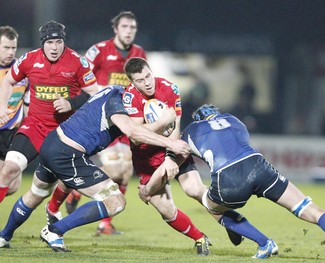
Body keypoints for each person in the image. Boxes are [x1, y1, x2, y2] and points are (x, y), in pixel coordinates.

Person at [150, 104, 325, 262]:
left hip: (228, 176)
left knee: (211, 207)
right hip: (259, 166)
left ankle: (263, 242)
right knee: (309, 209)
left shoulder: (191, 130)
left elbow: (179, 154)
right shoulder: (235, 120)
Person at [0, 85, 190, 252]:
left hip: (53, 143)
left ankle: (4, 236)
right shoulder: (118, 103)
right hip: (68, 154)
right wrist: (169, 138)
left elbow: (134, 128)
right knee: (115, 201)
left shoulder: (112, 92)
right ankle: (53, 230)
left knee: (35, 194)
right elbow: (133, 133)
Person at [48, 11, 147, 235]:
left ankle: (104, 223)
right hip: (102, 119)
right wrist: (74, 104)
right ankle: (73, 189)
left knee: (125, 171)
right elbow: (81, 78)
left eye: (133, 27)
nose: (129, 31)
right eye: (125, 27)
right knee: (117, 168)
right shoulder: (99, 51)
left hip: (125, 118)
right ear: (116, 28)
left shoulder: (139, 53)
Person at [122, 57, 214, 255]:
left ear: (151, 71)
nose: (147, 82)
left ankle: (235, 223)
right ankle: (199, 237)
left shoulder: (169, 88)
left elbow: (175, 127)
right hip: (146, 158)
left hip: (172, 150)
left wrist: (170, 158)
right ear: (133, 83)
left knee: (196, 190)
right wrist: (163, 120)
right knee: (165, 209)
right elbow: (138, 137)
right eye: (140, 80)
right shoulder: (129, 98)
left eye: (148, 76)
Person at [0, 20, 98, 204]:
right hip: (35, 126)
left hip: (64, 132)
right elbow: (8, 81)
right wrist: (3, 107)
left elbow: (94, 93)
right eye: (49, 43)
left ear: (64, 42)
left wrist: (71, 103)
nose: (54, 47)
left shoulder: (78, 61)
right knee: (9, 170)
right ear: (42, 43)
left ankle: (53, 212)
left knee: (48, 188)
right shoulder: (29, 59)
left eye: (58, 42)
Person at [0, 25, 29, 184]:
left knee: (13, 185)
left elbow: (27, 101)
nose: (11, 52)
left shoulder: (22, 70)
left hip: (11, 133)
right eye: (6, 47)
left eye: (13, 48)